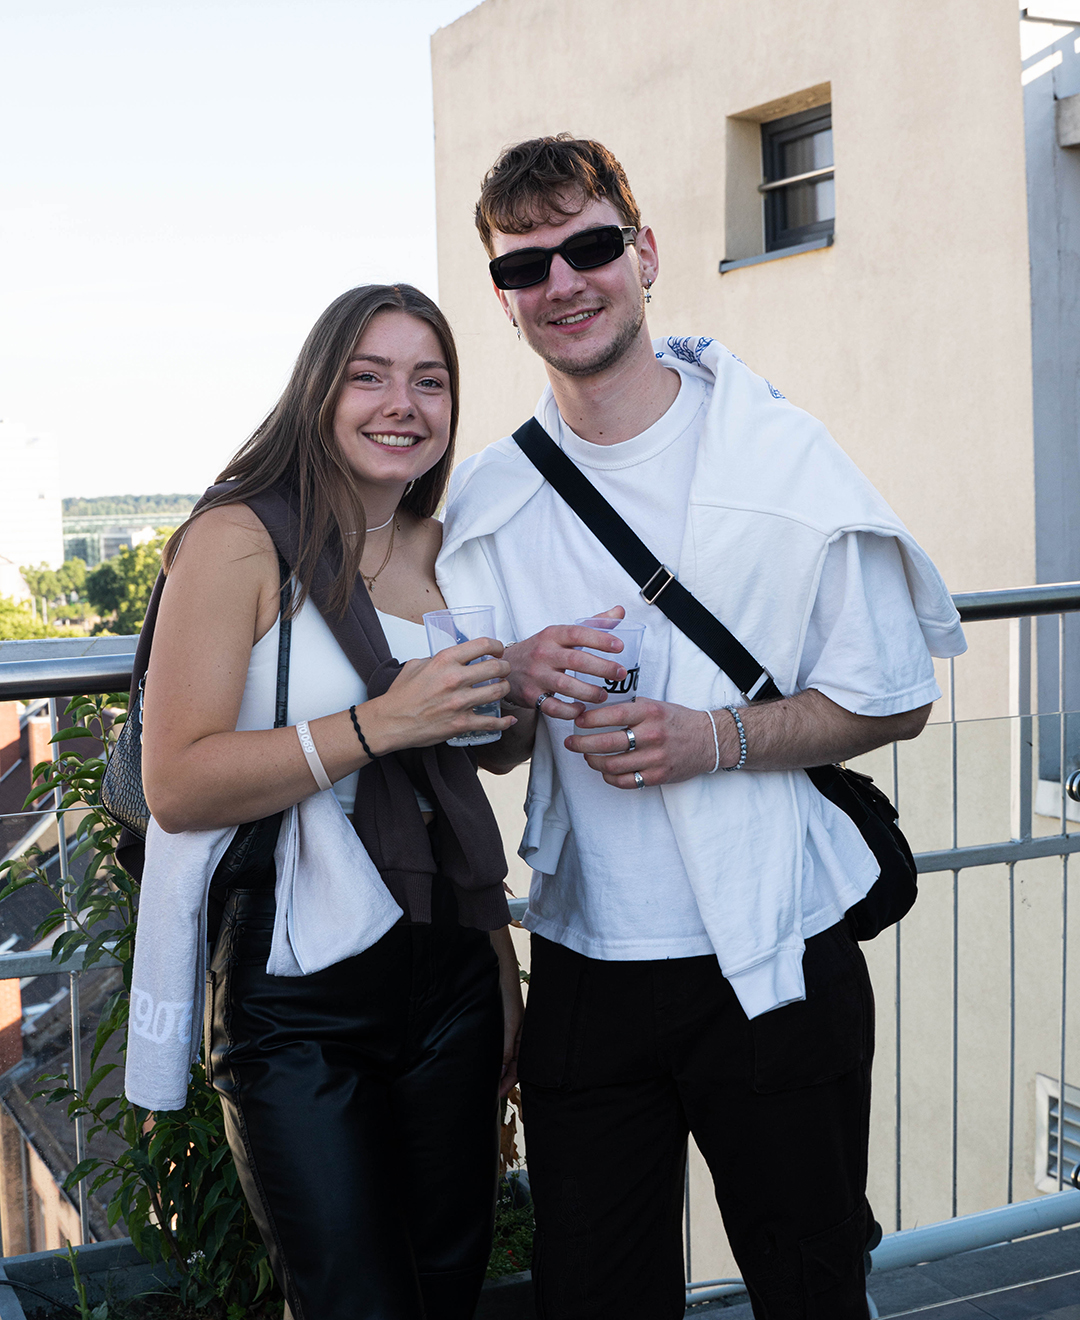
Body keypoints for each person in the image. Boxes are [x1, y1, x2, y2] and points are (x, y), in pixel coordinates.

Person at [436, 137, 967, 1319]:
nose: (562, 283)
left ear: (644, 254)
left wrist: (711, 740)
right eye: (525, 266)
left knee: (811, 1287)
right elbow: (494, 750)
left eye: (588, 246)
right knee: (595, 1298)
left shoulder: (779, 455)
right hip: (586, 961)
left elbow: (897, 695)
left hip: (777, 949)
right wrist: (513, 680)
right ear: (504, 300)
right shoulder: (492, 497)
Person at [136, 284, 524, 1320]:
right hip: (296, 978)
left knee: (447, 1290)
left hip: (451, 958)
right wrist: (380, 723)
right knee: (353, 1300)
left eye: (430, 380)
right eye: (369, 376)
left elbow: (475, 762)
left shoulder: (447, 550)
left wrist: (527, 684)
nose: (403, 403)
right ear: (318, 391)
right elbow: (177, 783)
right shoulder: (239, 538)